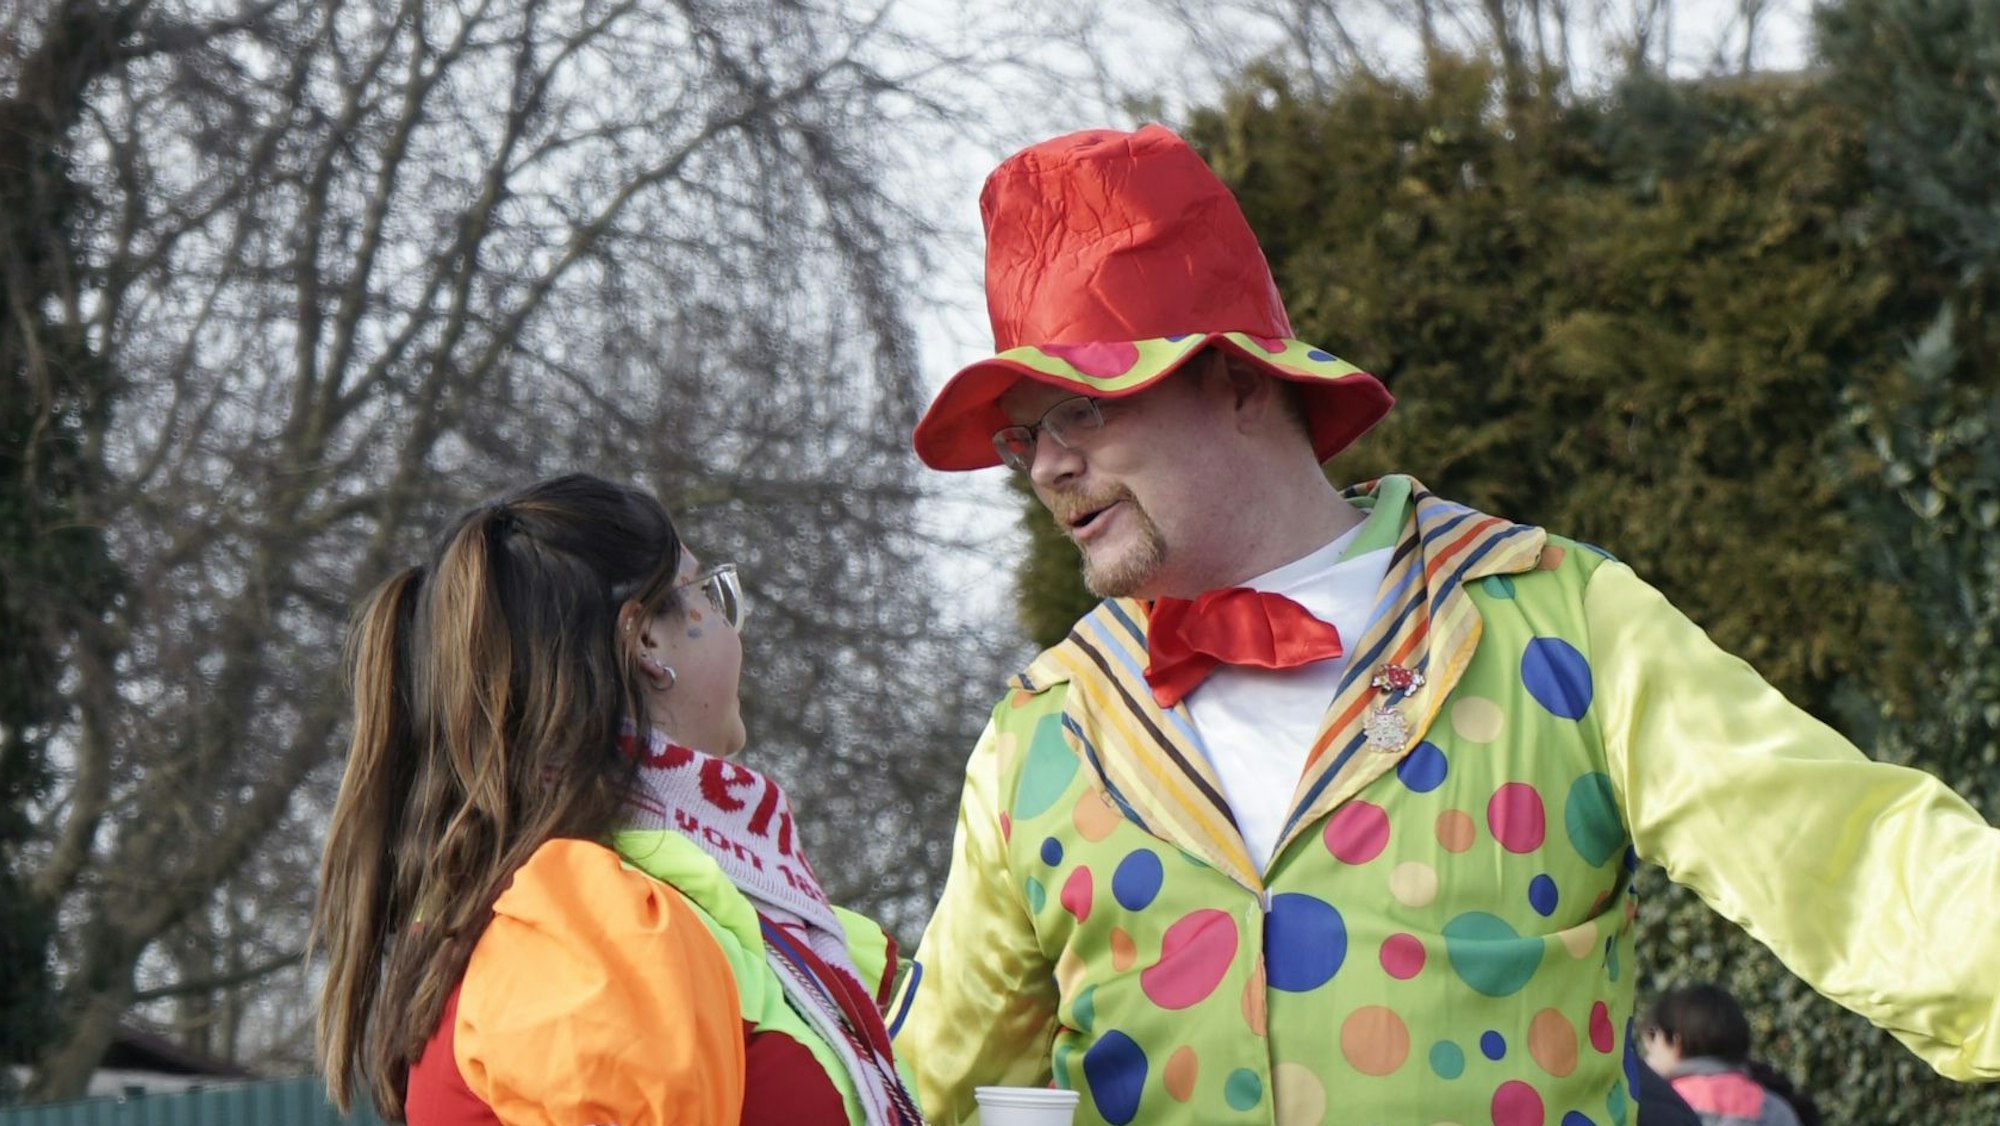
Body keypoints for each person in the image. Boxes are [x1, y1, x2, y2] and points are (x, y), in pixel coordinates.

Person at [888, 124, 2000, 1126]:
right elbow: (914, 1088)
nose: (1044, 466)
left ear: (1229, 377)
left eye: (1079, 406)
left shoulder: (1551, 619)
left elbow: (1851, 857)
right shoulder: (1039, 736)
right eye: (1019, 437)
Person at [312, 473, 924, 1126]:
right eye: (709, 594)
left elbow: (961, 1020)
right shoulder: (581, 931)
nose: (730, 626)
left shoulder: (745, 907)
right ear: (647, 642)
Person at [1642, 985, 1816, 1126]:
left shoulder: (1654, 1103)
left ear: (1675, 1040)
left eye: (1653, 1038)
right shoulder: (1776, 1108)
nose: (1648, 1055)